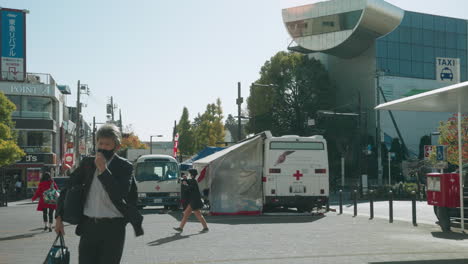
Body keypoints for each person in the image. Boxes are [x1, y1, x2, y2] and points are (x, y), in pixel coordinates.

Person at [54, 124, 144, 264]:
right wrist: (59, 217)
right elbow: (67, 187)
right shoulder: (88, 163)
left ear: (116, 147)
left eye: (107, 144)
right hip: (89, 226)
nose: (102, 147)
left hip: (114, 227)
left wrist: (103, 170)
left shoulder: (124, 166)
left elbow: (119, 194)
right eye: (100, 143)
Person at [173, 168, 209, 233]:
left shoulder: (193, 181)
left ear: (192, 175)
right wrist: (183, 180)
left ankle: (205, 228)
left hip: (194, 201)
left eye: (189, 174)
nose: (188, 174)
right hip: (193, 200)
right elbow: (187, 182)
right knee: (188, 214)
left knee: (196, 215)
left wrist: (184, 183)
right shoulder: (193, 180)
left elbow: (189, 187)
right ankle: (181, 228)